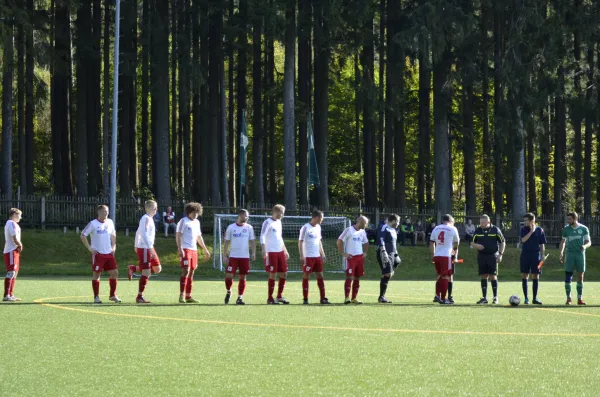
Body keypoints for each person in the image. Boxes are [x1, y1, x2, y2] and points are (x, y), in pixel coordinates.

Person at [80, 205, 120, 304]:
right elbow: (83, 235)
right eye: (103, 212)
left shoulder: (110, 222)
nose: (106, 213)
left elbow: (113, 234)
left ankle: (112, 295)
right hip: (98, 253)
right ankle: (96, 297)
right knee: (97, 275)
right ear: (98, 213)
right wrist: (89, 248)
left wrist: (114, 246)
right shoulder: (93, 224)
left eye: (107, 211)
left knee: (114, 273)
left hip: (109, 253)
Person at [128, 200, 163, 304]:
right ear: (148, 208)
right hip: (145, 248)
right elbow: (142, 233)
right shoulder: (145, 218)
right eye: (154, 207)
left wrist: (136, 244)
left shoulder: (150, 219)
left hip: (148, 247)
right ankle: (139, 297)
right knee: (147, 273)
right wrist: (148, 248)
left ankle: (133, 268)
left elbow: (138, 231)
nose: (156, 209)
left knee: (157, 269)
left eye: (156, 207)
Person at [176, 202, 211, 303]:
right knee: (185, 270)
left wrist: (205, 249)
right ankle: (181, 295)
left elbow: (199, 237)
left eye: (197, 212)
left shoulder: (197, 222)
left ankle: (188, 296)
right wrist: (180, 248)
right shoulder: (183, 221)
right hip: (185, 249)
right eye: (194, 212)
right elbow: (178, 235)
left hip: (194, 250)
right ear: (189, 212)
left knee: (192, 272)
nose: (196, 214)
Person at [223, 209, 256, 305]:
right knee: (229, 276)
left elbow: (253, 241)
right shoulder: (231, 227)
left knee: (243, 277)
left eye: (248, 216)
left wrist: (253, 253)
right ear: (240, 216)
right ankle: (229, 291)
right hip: (233, 256)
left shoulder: (249, 228)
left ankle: (240, 298)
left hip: (245, 257)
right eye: (246, 216)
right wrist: (224, 255)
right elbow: (226, 242)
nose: (247, 218)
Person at [470, 214, 505, 304]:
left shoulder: (495, 230)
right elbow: (472, 243)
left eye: (483, 222)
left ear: (488, 222)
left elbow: (502, 242)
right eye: (480, 222)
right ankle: (484, 298)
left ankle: (495, 297)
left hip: (492, 256)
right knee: (483, 275)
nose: (481, 224)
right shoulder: (478, 230)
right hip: (481, 256)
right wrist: (476, 245)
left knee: (493, 276)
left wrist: (500, 254)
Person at [260, 204, 291, 304]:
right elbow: (262, 236)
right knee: (273, 274)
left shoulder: (279, 222)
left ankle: (279, 296)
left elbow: (279, 237)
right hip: (271, 252)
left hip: (279, 252)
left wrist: (285, 250)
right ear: (276, 212)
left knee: (284, 274)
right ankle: (270, 298)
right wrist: (263, 249)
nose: (282, 215)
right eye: (282, 213)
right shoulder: (267, 222)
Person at [298, 210, 330, 305]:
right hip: (308, 257)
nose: (322, 220)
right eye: (321, 218)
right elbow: (300, 241)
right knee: (306, 275)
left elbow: (319, 242)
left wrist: (322, 254)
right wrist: (301, 255)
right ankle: (305, 299)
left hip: (317, 257)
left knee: (320, 275)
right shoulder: (305, 228)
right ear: (316, 217)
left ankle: (323, 298)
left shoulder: (318, 227)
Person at [559, 212, 591, 305]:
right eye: (567, 219)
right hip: (570, 255)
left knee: (580, 276)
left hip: (580, 255)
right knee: (568, 275)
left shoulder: (584, 229)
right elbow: (563, 241)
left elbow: (589, 242)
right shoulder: (566, 229)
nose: (568, 221)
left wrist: (585, 246)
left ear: (575, 219)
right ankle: (568, 298)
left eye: (569, 219)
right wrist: (561, 252)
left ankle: (579, 298)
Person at [337, 216, 370, 304]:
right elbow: (339, 241)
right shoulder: (349, 230)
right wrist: (343, 253)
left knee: (357, 277)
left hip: (359, 258)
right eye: (365, 223)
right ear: (359, 221)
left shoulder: (363, 232)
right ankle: (347, 297)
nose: (366, 225)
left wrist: (365, 252)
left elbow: (366, 242)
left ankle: (354, 298)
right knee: (349, 277)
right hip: (351, 258)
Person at [430, 214, 460, 304]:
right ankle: (443, 298)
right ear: (451, 221)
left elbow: (432, 244)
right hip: (446, 256)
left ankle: (437, 295)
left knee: (439, 275)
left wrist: (433, 256)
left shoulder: (436, 228)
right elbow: (456, 244)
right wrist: (454, 256)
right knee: (446, 276)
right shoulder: (453, 229)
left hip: (437, 255)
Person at [520, 213, 546, 305]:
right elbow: (523, 240)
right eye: (524, 220)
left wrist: (542, 255)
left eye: (526, 220)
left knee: (535, 275)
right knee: (524, 275)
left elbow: (542, 244)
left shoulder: (540, 230)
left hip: (536, 255)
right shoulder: (523, 229)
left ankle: (535, 298)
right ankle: (526, 298)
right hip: (525, 254)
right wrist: (531, 231)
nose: (524, 222)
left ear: (532, 221)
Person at [376, 214, 401, 303]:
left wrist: (396, 254)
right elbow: (381, 239)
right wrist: (383, 251)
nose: (398, 223)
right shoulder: (384, 227)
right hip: (385, 253)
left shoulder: (394, 230)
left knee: (387, 273)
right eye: (398, 221)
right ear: (393, 220)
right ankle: (381, 297)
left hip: (392, 253)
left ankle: (381, 297)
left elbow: (393, 243)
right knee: (388, 274)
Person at [3, 208, 23, 302]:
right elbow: (14, 236)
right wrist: (20, 244)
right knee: (11, 272)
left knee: (14, 273)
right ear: (14, 214)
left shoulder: (14, 224)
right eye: (19, 215)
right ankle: (6, 295)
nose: (20, 217)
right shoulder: (11, 223)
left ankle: (11, 294)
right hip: (11, 251)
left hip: (14, 251)